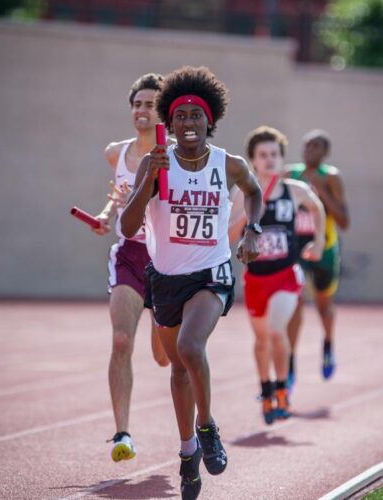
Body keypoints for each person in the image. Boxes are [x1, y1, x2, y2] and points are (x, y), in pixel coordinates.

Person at [121, 66, 262, 500]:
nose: (187, 123)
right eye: (179, 116)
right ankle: (187, 453)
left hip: (211, 272)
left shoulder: (229, 164)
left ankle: (207, 427)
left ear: (209, 122)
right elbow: (128, 227)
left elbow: (254, 192)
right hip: (165, 278)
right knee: (179, 370)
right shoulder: (155, 162)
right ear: (169, 123)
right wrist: (148, 178)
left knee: (189, 347)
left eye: (194, 116)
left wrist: (253, 230)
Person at [92, 73, 171, 463]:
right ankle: (122, 433)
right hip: (130, 254)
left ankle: (162, 320)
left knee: (163, 356)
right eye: (137, 103)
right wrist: (107, 216)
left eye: (150, 104)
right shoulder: (115, 153)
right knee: (122, 341)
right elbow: (118, 198)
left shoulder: (175, 154)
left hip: (170, 261)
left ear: (164, 113)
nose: (141, 110)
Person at [229, 126, 325, 423]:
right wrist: (248, 212)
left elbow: (317, 207)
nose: (269, 159)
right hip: (256, 277)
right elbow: (229, 235)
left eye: (274, 154)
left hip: (286, 274)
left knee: (275, 330)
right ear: (253, 161)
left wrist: (319, 241)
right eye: (263, 155)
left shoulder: (293, 191)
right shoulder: (241, 192)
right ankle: (266, 391)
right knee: (260, 341)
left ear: (282, 158)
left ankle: (283, 389)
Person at [285, 129, 350, 385]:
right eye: (306, 145)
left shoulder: (331, 177)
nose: (309, 150)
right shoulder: (291, 173)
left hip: (324, 247)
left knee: (323, 307)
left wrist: (320, 190)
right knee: (294, 302)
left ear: (326, 152)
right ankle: (289, 363)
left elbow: (344, 221)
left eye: (315, 146)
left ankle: (327, 344)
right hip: (296, 248)